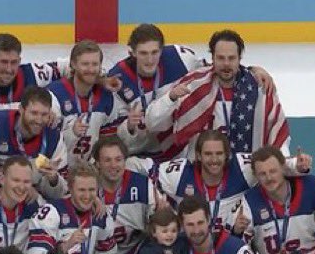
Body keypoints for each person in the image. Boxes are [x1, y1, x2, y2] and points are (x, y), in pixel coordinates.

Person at [109, 23, 275, 159]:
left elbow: (217, 68)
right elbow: (114, 138)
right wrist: (129, 127)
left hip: (175, 149)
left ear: (162, 49)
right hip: (139, 153)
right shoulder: (117, 81)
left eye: (154, 52)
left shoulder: (180, 58)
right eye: (143, 53)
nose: (150, 59)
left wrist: (252, 70)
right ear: (131, 52)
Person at [145, 29, 290, 159]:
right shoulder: (193, 84)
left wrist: (284, 166)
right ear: (212, 58)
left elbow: (278, 134)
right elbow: (152, 123)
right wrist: (170, 98)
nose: (226, 63)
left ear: (239, 58)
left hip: (246, 174)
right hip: (200, 174)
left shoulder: (259, 89)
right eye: (221, 58)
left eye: (231, 58)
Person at [151, 130, 312, 232]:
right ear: (198, 155)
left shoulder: (242, 168)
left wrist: (297, 165)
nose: (214, 160)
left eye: (219, 153)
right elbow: (147, 173)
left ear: (227, 155)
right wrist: (158, 201)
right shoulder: (179, 173)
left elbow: (272, 165)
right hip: (191, 244)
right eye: (208, 154)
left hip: (230, 243)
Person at [27, 163, 119, 254]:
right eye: (81, 190)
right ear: (70, 188)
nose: (87, 196)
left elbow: (105, 251)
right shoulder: (52, 212)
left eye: (91, 190)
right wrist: (64, 247)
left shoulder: (100, 215)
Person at [233, 146, 315, 254]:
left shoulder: (313, 187)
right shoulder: (249, 202)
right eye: (262, 174)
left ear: (284, 168)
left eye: (273, 171)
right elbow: (240, 247)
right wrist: (237, 232)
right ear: (255, 175)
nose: (269, 178)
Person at [46, 40, 131, 162]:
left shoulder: (106, 97)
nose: (90, 69)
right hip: (56, 168)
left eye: (95, 64)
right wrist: (71, 133)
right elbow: (46, 141)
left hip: (87, 168)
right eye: (85, 64)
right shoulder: (54, 95)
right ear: (73, 64)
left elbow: (108, 140)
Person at [0, 86, 68, 199]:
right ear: (21, 109)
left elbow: (60, 194)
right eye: (34, 113)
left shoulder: (54, 138)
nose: (39, 120)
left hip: (28, 197)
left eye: (44, 114)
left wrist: (53, 180)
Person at [92, 136, 160, 254]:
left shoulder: (143, 185)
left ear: (125, 161)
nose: (113, 165)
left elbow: (157, 225)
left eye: (118, 159)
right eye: (107, 160)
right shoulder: (88, 189)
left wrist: (160, 215)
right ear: (97, 164)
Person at [0, 33, 68, 111]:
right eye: (4, 62)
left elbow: (67, 65)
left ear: (20, 61)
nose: (9, 69)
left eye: (14, 62)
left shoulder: (33, 74)